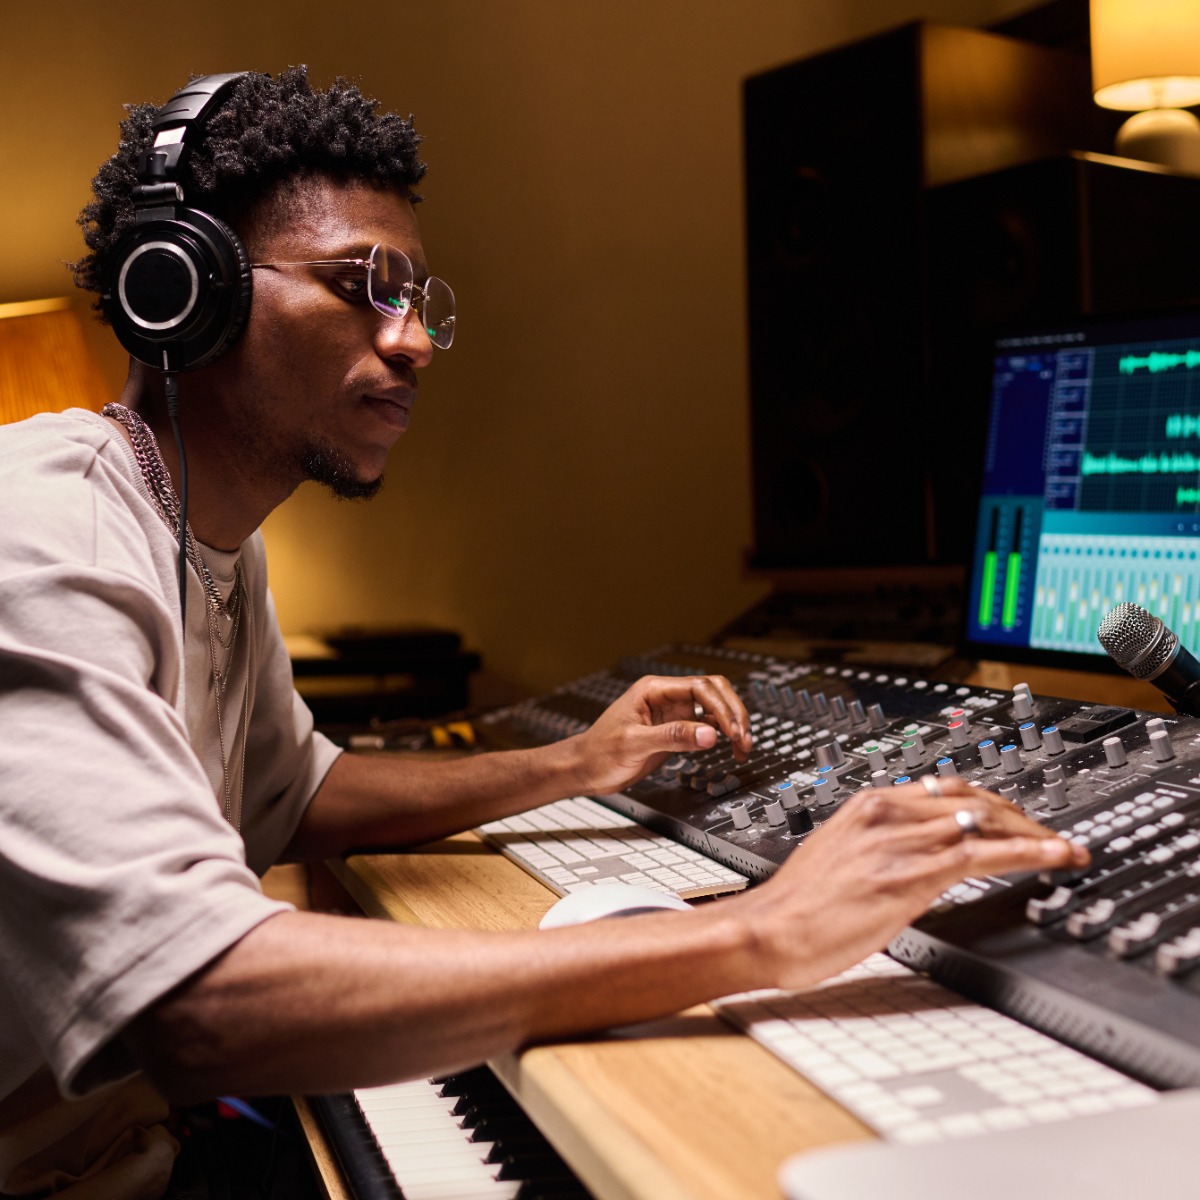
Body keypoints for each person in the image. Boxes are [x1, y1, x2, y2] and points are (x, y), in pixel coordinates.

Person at [0, 67, 1088, 1199]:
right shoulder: (44, 535)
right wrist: (758, 932)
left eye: (419, 298)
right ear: (182, 288)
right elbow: (196, 1005)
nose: (414, 341)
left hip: (144, 1146)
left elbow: (297, 795)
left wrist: (575, 764)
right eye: (362, 286)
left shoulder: (215, 537)